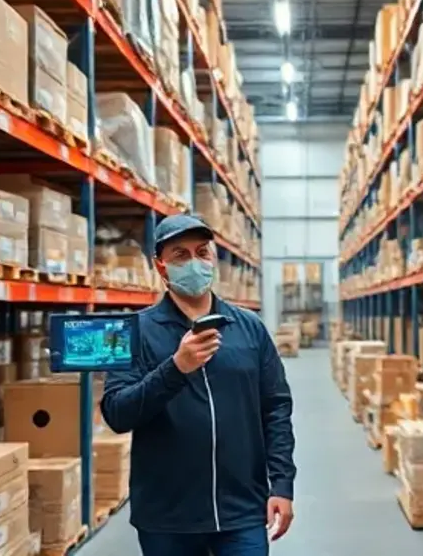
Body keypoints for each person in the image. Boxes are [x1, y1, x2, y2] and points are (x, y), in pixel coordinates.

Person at [100, 214, 296, 556]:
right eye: (181, 255)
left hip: (242, 512)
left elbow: (276, 407)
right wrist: (176, 368)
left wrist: (281, 484)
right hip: (167, 517)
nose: (195, 262)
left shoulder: (250, 329)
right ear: (160, 267)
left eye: (202, 252)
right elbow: (118, 412)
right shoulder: (131, 331)